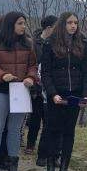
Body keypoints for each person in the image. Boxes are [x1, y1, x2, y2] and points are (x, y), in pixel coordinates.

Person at [0, 12, 38, 171]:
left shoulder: (28, 44)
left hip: (20, 91)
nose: (23, 26)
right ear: (10, 25)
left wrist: (30, 77)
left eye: (24, 23)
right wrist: (2, 75)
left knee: (15, 129)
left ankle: (12, 163)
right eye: (20, 23)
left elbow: (33, 66)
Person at [40, 12, 87, 171]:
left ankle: (64, 170)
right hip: (57, 93)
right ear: (63, 24)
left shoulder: (82, 43)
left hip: (74, 94)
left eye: (75, 23)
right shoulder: (50, 43)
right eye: (69, 22)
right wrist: (52, 93)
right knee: (53, 131)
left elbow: (86, 72)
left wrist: (86, 94)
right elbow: (46, 73)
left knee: (69, 132)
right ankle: (50, 168)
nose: (73, 26)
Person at [28, 15, 58, 160]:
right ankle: (30, 143)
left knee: (48, 119)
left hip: (49, 85)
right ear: (49, 28)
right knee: (35, 117)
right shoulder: (34, 43)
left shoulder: (56, 43)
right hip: (36, 84)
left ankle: (45, 148)